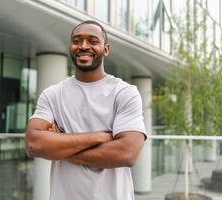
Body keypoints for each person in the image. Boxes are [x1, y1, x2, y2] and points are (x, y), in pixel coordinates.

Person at [26, 20, 147, 200]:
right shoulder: (52, 95)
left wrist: (59, 144)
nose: (83, 46)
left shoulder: (124, 93)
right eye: (77, 40)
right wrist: (100, 137)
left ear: (106, 49)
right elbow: (33, 144)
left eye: (92, 41)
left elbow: (127, 153)